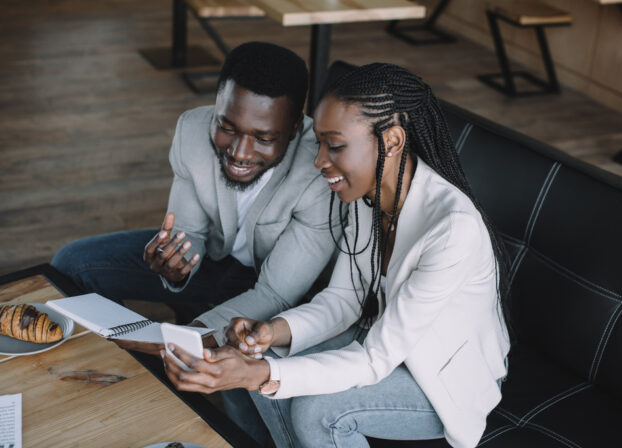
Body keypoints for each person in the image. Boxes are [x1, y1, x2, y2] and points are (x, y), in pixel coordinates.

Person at [159, 63, 511, 448]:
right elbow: (343, 300)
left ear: (391, 141)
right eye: (321, 143)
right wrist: (270, 331)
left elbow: (375, 360)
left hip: (441, 380)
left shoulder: (452, 230)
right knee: (254, 350)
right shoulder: (368, 196)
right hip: (377, 336)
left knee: (316, 412)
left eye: (336, 146)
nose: (319, 160)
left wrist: (259, 374)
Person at [51, 41, 342, 446]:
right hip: (218, 265)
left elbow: (275, 292)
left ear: (294, 129)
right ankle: (101, 388)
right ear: (216, 105)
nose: (239, 152)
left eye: (263, 138)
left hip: (282, 294)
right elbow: (191, 232)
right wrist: (178, 265)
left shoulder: (319, 171)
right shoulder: (192, 130)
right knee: (71, 264)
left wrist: (186, 337)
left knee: (233, 379)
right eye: (227, 127)